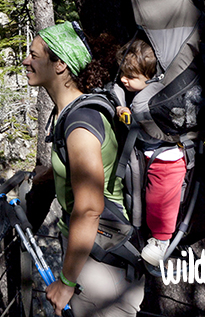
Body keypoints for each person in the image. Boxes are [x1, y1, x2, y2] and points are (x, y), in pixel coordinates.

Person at [23, 22, 144, 317]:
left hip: (102, 264)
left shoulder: (80, 124)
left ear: (61, 64)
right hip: (102, 251)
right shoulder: (82, 111)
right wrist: (51, 172)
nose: (26, 61)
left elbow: (89, 208)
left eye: (34, 55)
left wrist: (66, 282)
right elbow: (93, 166)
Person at [115, 38, 187, 267]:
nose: (123, 80)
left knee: (161, 199)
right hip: (151, 154)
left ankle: (161, 241)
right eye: (123, 74)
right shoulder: (142, 94)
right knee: (151, 198)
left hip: (166, 159)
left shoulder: (155, 102)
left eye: (131, 77)